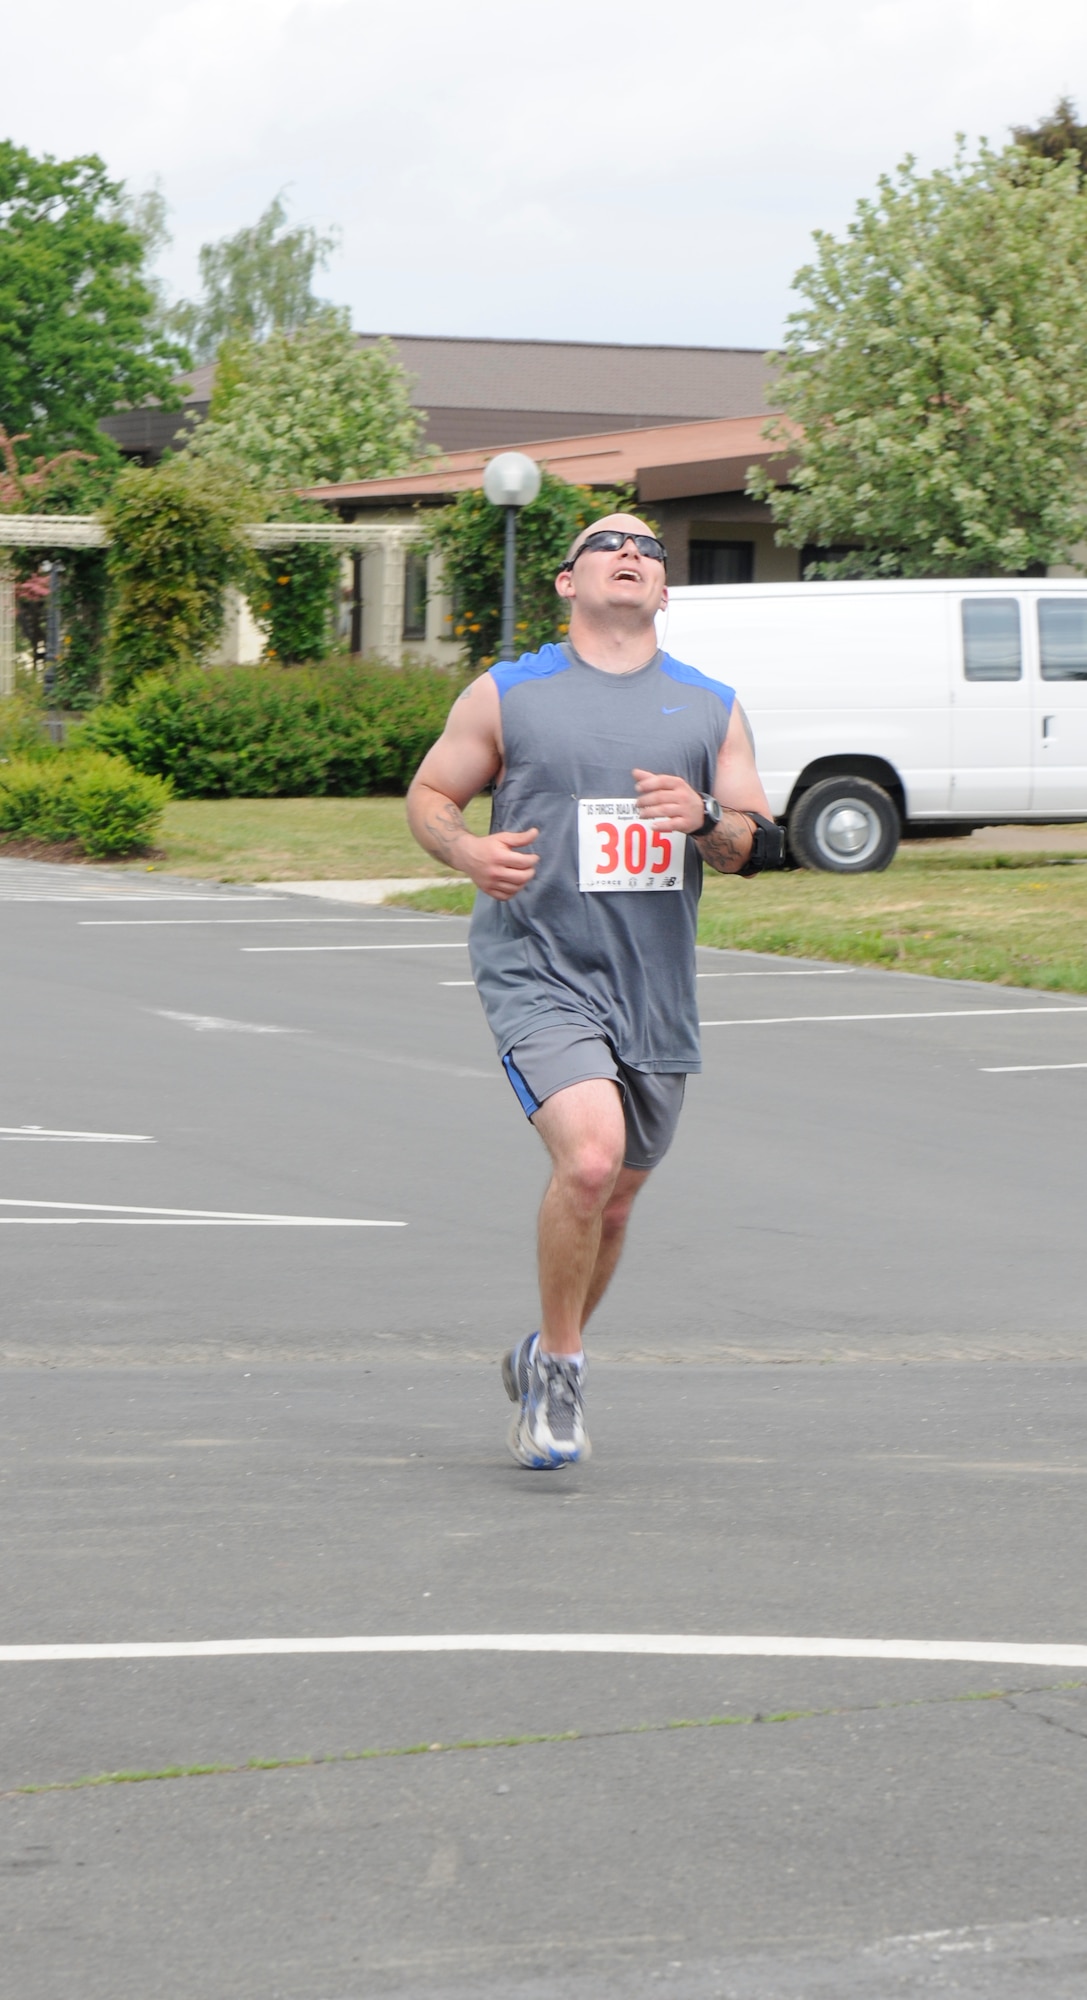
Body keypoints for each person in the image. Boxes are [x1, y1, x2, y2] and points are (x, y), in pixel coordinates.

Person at [407, 513, 782, 1469]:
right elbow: (429, 795)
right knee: (587, 1162)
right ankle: (564, 1373)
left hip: (653, 986)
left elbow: (756, 844)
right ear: (567, 582)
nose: (632, 554)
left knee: (612, 1202)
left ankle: (542, 1348)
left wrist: (702, 816)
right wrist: (466, 849)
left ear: (665, 591)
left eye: (650, 551)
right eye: (609, 544)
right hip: (539, 967)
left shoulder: (709, 706)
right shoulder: (509, 693)